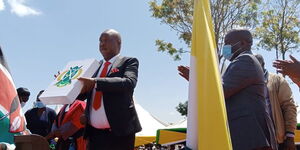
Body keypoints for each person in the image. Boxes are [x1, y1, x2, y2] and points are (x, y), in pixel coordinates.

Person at [178, 29, 277, 150]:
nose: (225, 47)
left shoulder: (246, 60)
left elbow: (221, 92)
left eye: (227, 43)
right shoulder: (243, 61)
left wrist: (197, 79)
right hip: (247, 136)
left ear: (242, 43)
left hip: (249, 136)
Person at [78, 29, 142, 150]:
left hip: (120, 134)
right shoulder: (93, 67)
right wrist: (68, 86)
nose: (102, 44)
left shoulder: (128, 61)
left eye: (106, 40)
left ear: (118, 42)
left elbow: (129, 82)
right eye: (100, 41)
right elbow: (81, 94)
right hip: (94, 135)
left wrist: (96, 82)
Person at [255, 54, 297, 150]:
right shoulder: (246, 83)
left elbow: (289, 106)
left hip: (276, 140)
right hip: (255, 141)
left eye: (256, 65)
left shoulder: (277, 81)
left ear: (263, 65)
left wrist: (290, 135)